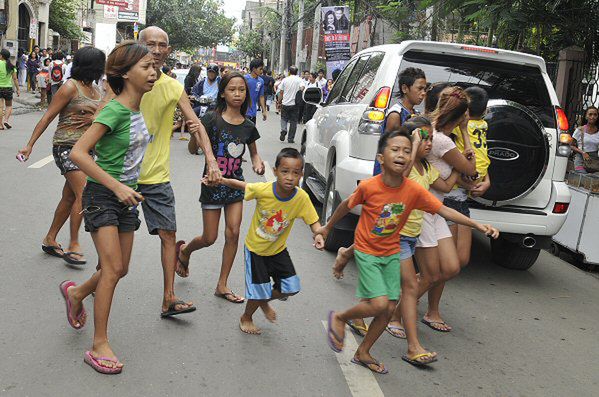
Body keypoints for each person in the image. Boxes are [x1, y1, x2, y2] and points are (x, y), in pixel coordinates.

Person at [64, 26, 220, 322]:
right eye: (151, 46)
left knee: (165, 236)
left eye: (163, 45)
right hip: (116, 181)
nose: (158, 51)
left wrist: (211, 160)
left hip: (154, 176)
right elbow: (97, 125)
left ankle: (168, 298)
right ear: (138, 50)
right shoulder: (121, 90)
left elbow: (195, 123)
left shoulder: (171, 87)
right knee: (113, 266)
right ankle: (95, 303)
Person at [322, 128, 498, 374]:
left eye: (406, 150)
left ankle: (363, 352)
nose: (401, 154)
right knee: (379, 304)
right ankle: (340, 317)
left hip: (392, 253)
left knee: (389, 307)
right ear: (381, 158)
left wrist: (477, 224)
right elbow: (344, 205)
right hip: (368, 252)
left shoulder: (413, 190)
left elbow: (444, 211)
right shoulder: (369, 187)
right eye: (395, 149)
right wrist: (326, 228)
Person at [61, 41, 156, 375]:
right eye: (145, 66)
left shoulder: (135, 109)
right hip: (103, 196)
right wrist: (116, 185)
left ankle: (77, 295)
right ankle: (99, 343)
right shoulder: (114, 109)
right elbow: (79, 153)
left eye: (153, 66)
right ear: (125, 73)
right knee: (113, 270)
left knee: (120, 269)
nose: (153, 71)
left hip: (126, 198)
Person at [334, 67, 427, 334]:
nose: (423, 92)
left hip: (400, 189)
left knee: (379, 237)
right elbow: (395, 154)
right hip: (388, 187)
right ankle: (361, 309)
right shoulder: (397, 114)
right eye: (420, 87)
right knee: (377, 239)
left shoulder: (415, 115)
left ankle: (347, 258)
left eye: (426, 88)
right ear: (406, 88)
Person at [204, 148, 324, 333]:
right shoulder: (264, 190)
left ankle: (262, 301)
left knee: (291, 287)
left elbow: (313, 221)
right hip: (255, 251)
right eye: (285, 171)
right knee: (258, 290)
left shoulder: (302, 198)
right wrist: (221, 180)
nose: (290, 177)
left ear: (301, 175)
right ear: (275, 171)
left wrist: (318, 234)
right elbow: (242, 186)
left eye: (295, 173)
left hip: (278, 251)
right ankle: (247, 316)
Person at [177, 72, 265, 304]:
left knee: (233, 233)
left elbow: (254, 153)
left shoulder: (248, 125)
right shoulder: (210, 119)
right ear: (223, 93)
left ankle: (222, 284)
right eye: (232, 89)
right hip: (212, 184)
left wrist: (257, 163)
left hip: (234, 185)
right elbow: (192, 150)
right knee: (209, 237)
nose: (237, 94)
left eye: (241, 90)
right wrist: (194, 133)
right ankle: (185, 251)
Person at [17, 47, 105, 264]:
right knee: (84, 194)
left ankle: (50, 239)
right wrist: (29, 145)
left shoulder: (96, 90)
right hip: (66, 147)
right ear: (92, 65)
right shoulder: (69, 88)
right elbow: (47, 117)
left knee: (69, 197)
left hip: (87, 150)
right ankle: (73, 244)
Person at [415, 86, 479, 333]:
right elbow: (470, 168)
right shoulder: (441, 139)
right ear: (462, 115)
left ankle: (409, 302)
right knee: (430, 273)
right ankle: (397, 312)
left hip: (437, 208)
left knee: (450, 267)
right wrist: (465, 131)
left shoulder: (438, 135)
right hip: (423, 209)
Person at [445, 86, 492, 267]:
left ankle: (413, 288)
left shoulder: (460, 129)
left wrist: (486, 181)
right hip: (449, 195)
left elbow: (476, 153)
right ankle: (412, 290)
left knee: (458, 261)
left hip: (463, 193)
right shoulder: (483, 125)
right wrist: (476, 183)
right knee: (447, 263)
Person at [277, 66, 305, 143]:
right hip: (295, 104)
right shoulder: (299, 80)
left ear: (289, 72)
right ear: (297, 72)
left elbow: (281, 92)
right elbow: (302, 87)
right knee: (293, 121)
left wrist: (279, 102)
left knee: (283, 118)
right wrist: (299, 91)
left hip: (285, 103)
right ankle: (290, 138)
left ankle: (283, 129)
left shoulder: (285, 80)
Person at [572, 106, 599, 173]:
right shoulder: (580, 130)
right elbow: (571, 145)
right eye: (590, 114)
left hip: (593, 161)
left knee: (593, 180)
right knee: (582, 176)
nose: (592, 117)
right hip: (580, 159)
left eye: (595, 114)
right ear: (586, 116)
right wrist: (583, 152)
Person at [0, 49, 20, 130]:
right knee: (9, 106)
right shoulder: (12, 66)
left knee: (0, 107)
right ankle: (6, 120)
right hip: (8, 88)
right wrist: (18, 90)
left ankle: (0, 125)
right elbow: (15, 79)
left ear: (1, 56)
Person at [244, 59, 266, 124]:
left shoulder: (261, 81)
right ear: (254, 69)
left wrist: (264, 111)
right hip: (243, 112)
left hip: (253, 113)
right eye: (260, 69)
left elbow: (261, 97)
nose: (262, 71)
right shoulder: (244, 79)